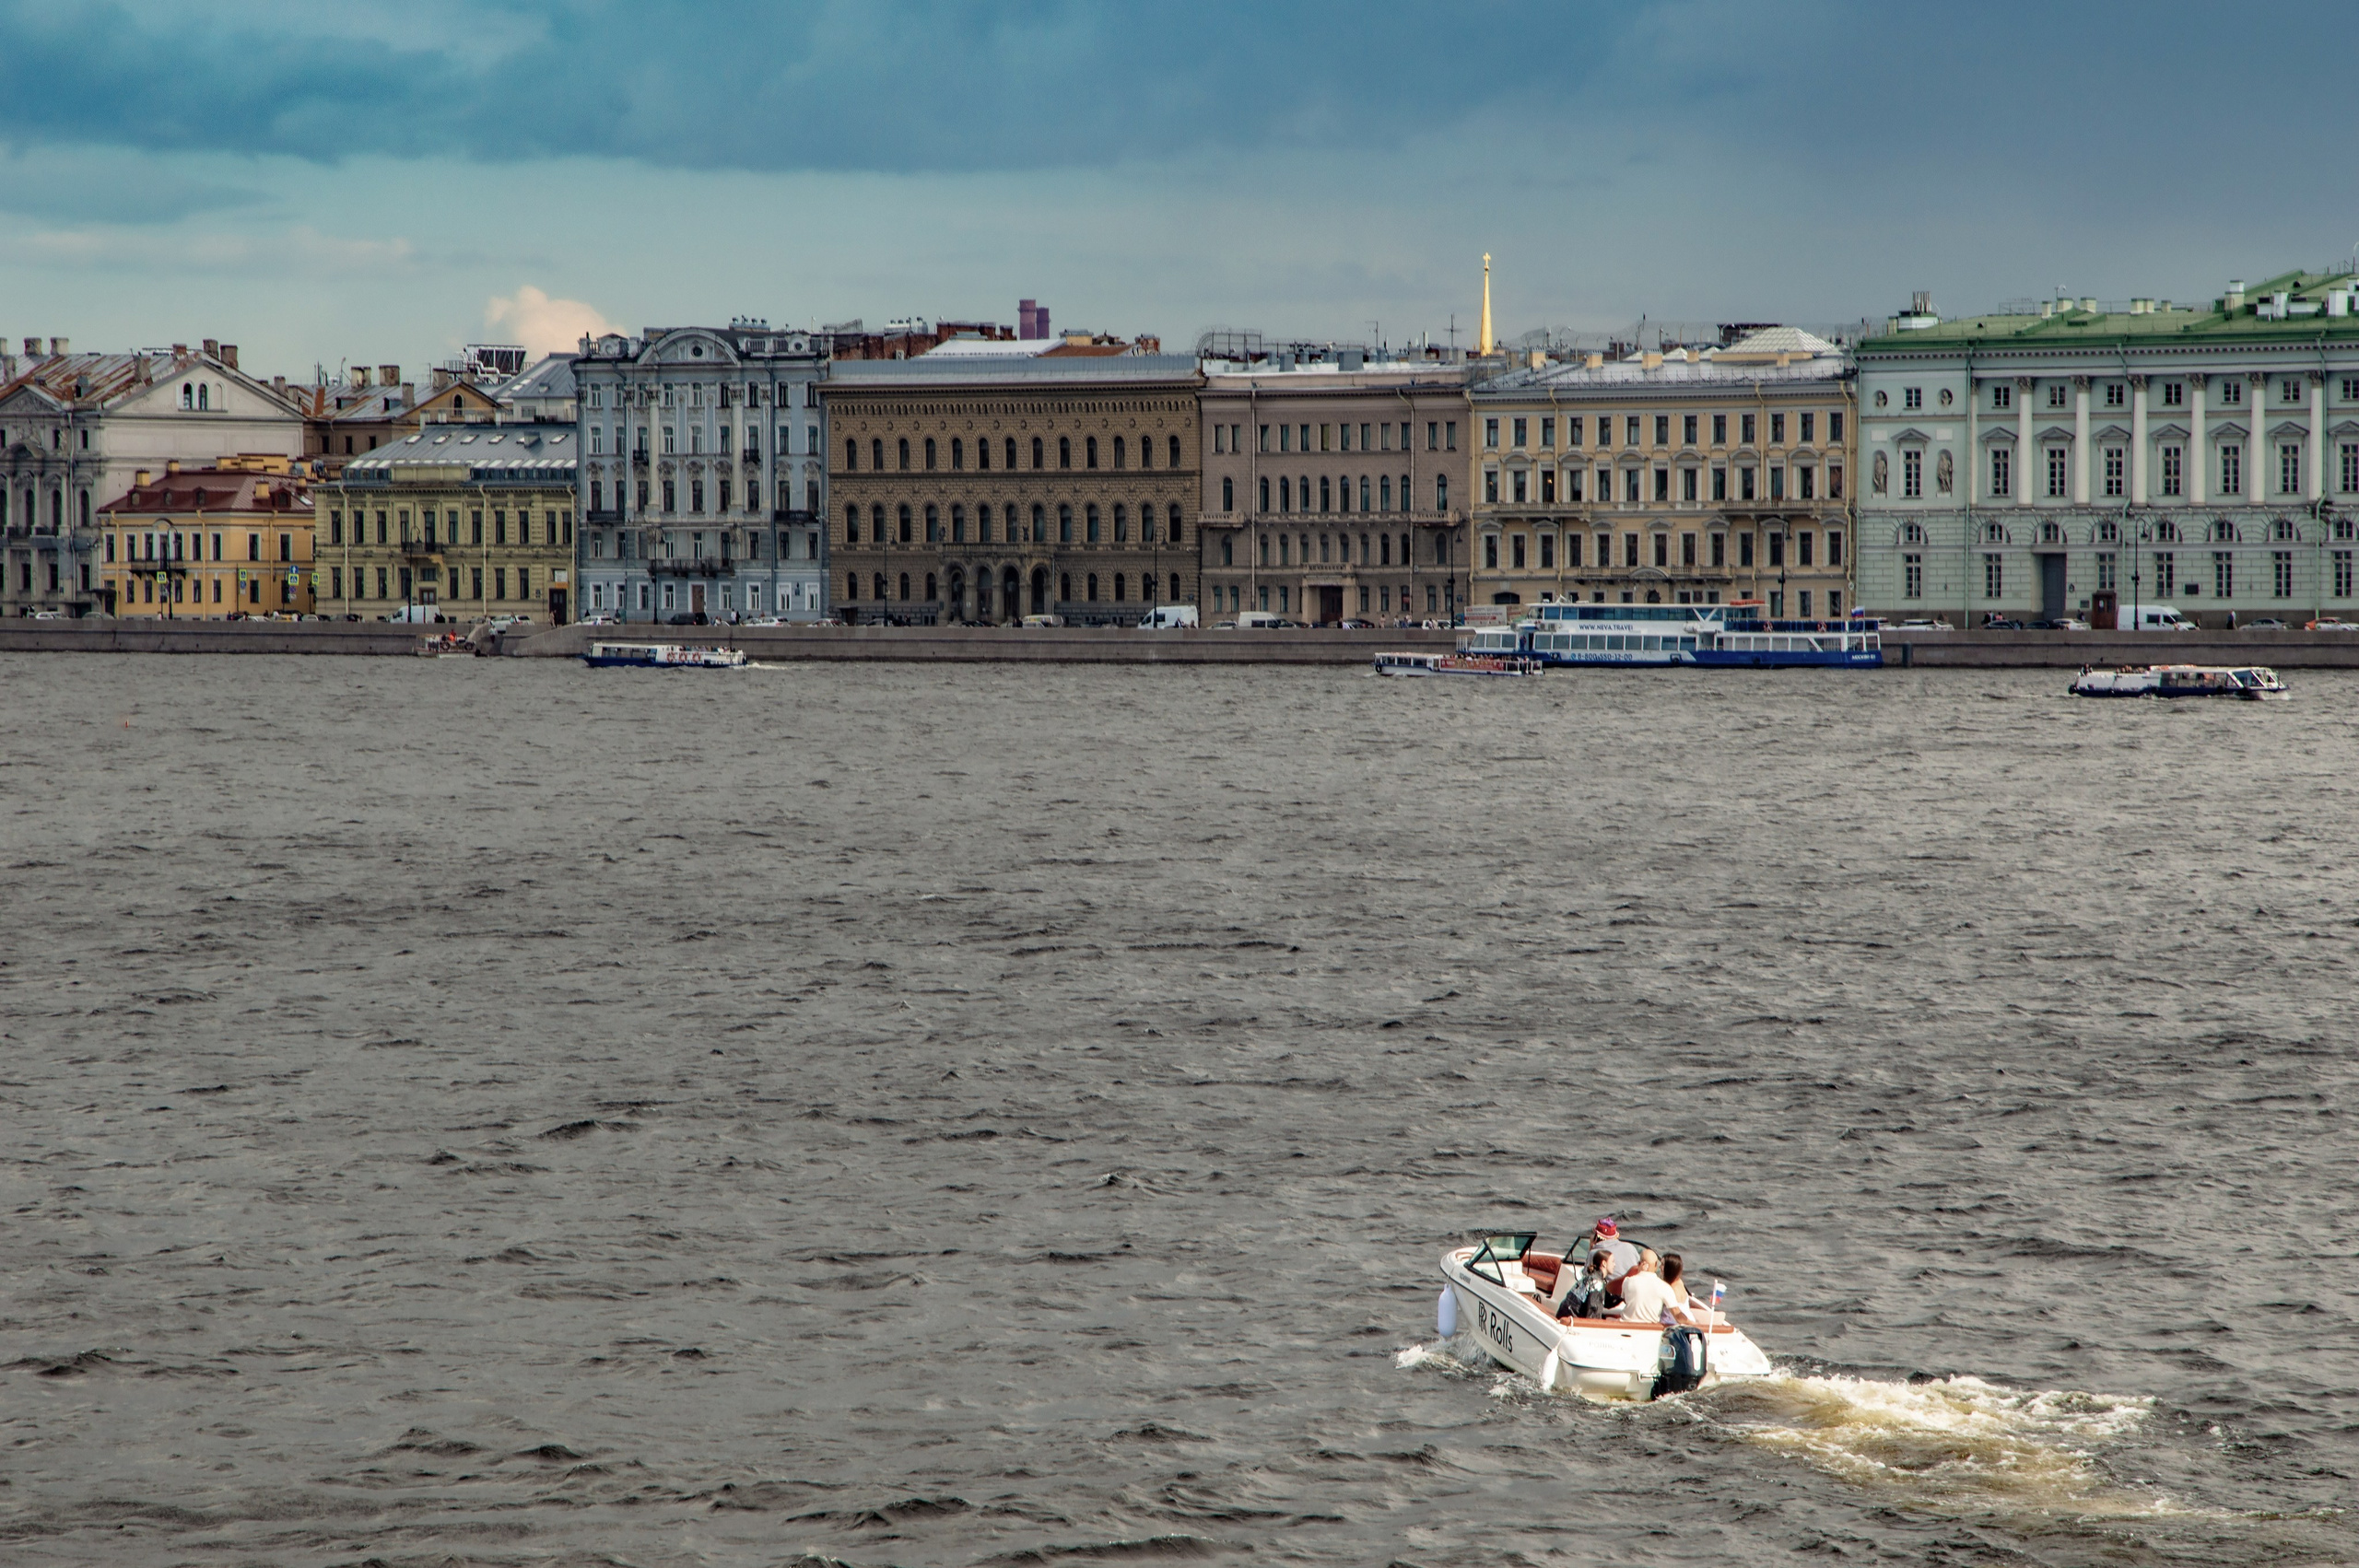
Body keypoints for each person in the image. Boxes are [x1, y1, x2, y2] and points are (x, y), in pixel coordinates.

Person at [1610, 1256, 1689, 1326]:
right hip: (1656, 1325)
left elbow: (1626, 1300)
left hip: (1671, 1323)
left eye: (1661, 1264)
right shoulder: (1667, 1286)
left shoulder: (1628, 1281)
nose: (1659, 1267)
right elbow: (1676, 1312)